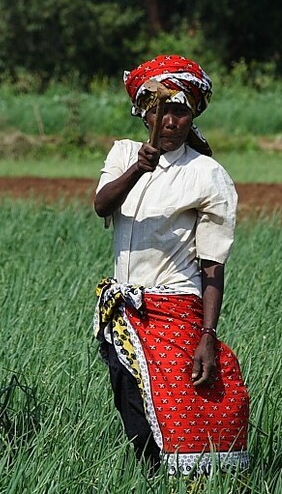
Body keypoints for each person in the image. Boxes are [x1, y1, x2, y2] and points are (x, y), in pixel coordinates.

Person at [93, 55, 249, 476]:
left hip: (175, 310)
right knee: (133, 413)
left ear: (192, 114)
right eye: (162, 110)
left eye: (181, 111)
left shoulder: (207, 175)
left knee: (178, 414)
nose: (170, 120)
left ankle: (190, 480)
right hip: (125, 313)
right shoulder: (125, 154)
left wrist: (208, 335)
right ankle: (150, 478)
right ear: (144, 111)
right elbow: (101, 204)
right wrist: (137, 170)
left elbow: (213, 265)